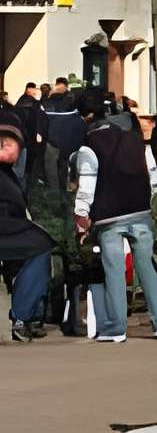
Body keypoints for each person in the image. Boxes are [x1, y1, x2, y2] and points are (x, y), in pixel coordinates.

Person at [73, 88, 157, 343]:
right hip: (141, 209)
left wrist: (81, 215)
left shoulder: (89, 145)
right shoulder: (137, 141)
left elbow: (87, 185)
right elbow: (153, 175)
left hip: (109, 215)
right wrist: (152, 201)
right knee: (146, 266)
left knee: (113, 269)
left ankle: (116, 327)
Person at [0, 108, 56, 339]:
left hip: (12, 229)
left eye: (10, 142)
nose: (5, 145)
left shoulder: (9, 174)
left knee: (38, 247)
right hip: (7, 229)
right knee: (40, 245)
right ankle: (23, 316)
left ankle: (25, 315)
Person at [42, 77, 84, 174]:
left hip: (52, 137)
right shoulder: (72, 99)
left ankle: (55, 186)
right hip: (67, 137)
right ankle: (65, 185)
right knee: (64, 163)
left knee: (52, 165)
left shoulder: (49, 101)